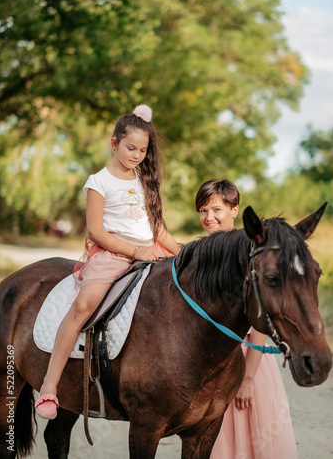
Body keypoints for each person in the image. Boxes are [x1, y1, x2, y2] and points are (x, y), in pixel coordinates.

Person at [35, 104, 181, 420]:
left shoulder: (145, 181)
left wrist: (183, 252)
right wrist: (134, 251)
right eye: (131, 148)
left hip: (150, 252)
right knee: (84, 305)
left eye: (143, 150)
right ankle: (50, 383)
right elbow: (96, 230)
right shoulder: (99, 181)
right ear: (114, 143)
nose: (137, 155)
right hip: (113, 254)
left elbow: (159, 231)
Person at [195, 179, 298, 459]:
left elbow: (260, 321)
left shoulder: (248, 252)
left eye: (216, 209)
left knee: (252, 441)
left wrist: (248, 379)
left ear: (234, 210)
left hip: (246, 360)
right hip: (215, 363)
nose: (209, 217)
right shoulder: (205, 250)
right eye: (203, 211)